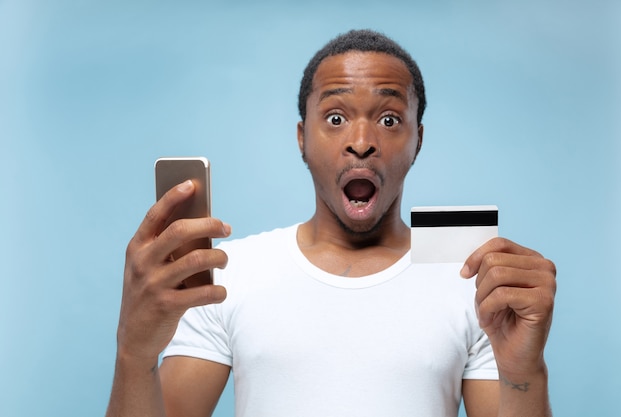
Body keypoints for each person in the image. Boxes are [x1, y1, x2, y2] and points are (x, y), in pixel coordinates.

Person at [106, 29, 556, 417]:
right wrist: (134, 353)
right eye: (336, 118)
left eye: (389, 119)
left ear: (417, 140)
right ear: (303, 138)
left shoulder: (473, 279)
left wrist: (525, 373)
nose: (361, 143)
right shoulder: (227, 274)